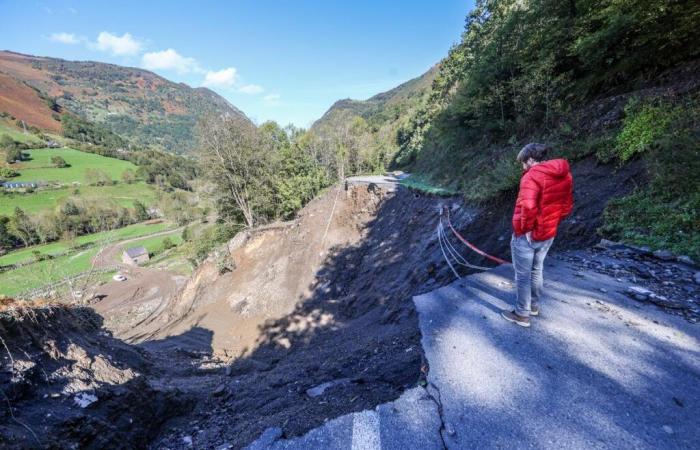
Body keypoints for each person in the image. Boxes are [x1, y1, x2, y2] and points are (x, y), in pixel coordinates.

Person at [501, 143, 573, 328]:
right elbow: (566, 206)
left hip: (528, 235)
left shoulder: (531, 177)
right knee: (537, 270)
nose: (523, 167)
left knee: (523, 275)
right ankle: (533, 306)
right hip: (548, 233)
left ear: (531, 159)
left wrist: (525, 230)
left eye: (524, 163)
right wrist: (551, 222)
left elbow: (529, 208)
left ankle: (521, 314)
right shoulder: (565, 174)